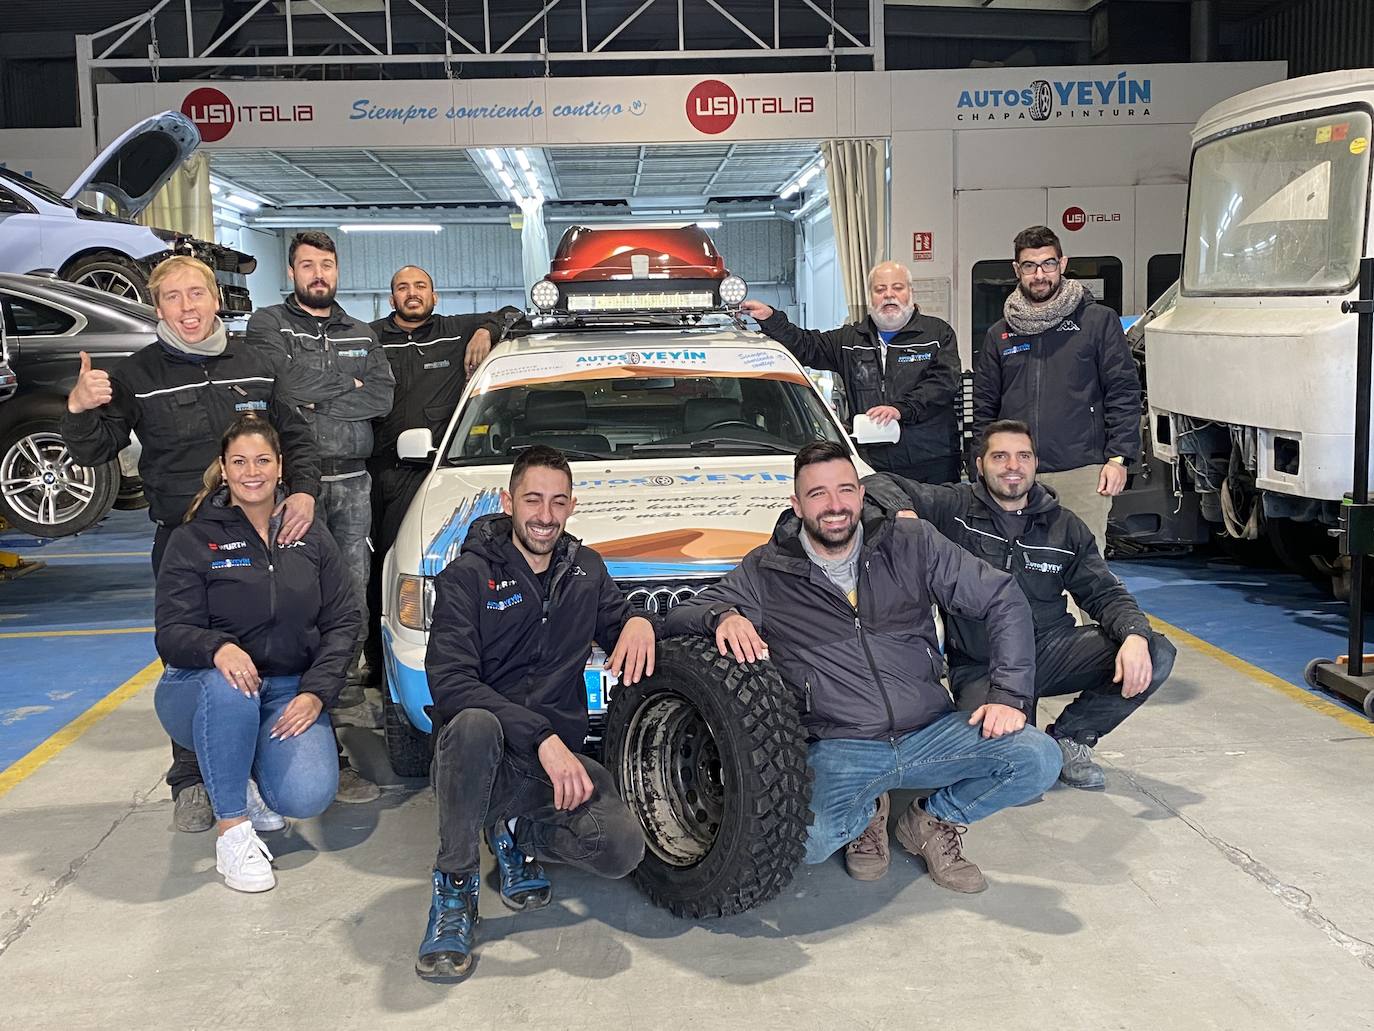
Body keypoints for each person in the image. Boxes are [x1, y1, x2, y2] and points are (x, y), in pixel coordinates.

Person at [664, 441, 1060, 887]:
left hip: (929, 731)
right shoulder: (766, 572)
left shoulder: (910, 542)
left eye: (846, 490)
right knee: (807, 843)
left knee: (1038, 759)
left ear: (861, 494)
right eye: (818, 495)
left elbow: (1002, 597)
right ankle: (868, 808)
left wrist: (1007, 693)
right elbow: (682, 615)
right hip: (839, 744)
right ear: (797, 505)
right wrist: (724, 615)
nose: (835, 506)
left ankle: (930, 821)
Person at [61, 255, 320, 834]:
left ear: (215, 299)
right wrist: (78, 407)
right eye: (173, 298)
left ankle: (270, 756)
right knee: (195, 657)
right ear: (158, 308)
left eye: (196, 295)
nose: (187, 308)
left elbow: (297, 437)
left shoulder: (255, 366)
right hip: (185, 544)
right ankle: (191, 777)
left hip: (262, 537)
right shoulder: (137, 374)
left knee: (275, 645)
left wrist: (303, 492)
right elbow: (92, 452)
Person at [417, 445, 651, 983]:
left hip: (551, 767)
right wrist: (543, 737)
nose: (544, 516)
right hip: (482, 761)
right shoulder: (467, 577)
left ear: (571, 507)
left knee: (620, 847)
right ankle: (454, 889)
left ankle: (519, 835)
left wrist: (637, 622)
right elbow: (450, 684)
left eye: (557, 502)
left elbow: (617, 625)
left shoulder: (587, 570)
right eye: (533, 500)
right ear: (508, 501)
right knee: (474, 722)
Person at [864, 420, 1176, 790]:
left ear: (1035, 463)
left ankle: (1072, 737)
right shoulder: (953, 509)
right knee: (1003, 759)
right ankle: (1023, 730)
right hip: (983, 664)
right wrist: (904, 512)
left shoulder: (1065, 527)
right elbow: (875, 483)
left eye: (1022, 456)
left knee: (1156, 652)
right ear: (979, 465)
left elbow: (1104, 592)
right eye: (1000, 456)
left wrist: (1134, 636)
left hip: (1050, 652)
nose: (1013, 465)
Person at [153, 414, 358, 893]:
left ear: (281, 467)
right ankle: (232, 831)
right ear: (223, 469)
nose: (252, 471)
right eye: (239, 461)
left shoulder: (310, 535)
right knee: (230, 688)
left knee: (306, 795)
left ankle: (242, 774)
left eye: (262, 460)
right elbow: (171, 632)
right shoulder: (194, 539)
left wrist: (316, 694)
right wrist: (217, 646)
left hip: (285, 688)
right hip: (199, 689)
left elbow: (344, 622)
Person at [246, 230, 395, 802]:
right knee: (294, 597)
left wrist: (323, 391)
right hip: (291, 487)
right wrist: (343, 384)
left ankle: (338, 685)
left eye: (326, 265)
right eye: (307, 265)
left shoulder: (361, 331)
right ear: (291, 274)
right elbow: (281, 385)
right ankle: (303, 707)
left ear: (337, 272)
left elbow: (379, 398)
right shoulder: (267, 325)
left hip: (354, 478)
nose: (317, 274)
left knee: (351, 591)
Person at [365, 266, 519, 680]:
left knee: (441, 564)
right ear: (391, 296)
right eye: (402, 287)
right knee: (381, 567)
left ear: (435, 294)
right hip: (383, 471)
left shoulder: (456, 330)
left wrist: (486, 330)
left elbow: (512, 312)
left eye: (420, 286)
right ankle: (380, 664)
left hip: (442, 470)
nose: (412, 294)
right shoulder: (371, 338)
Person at [974, 225, 1142, 553]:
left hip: (1083, 471)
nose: (1040, 274)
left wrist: (1119, 458)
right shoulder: (1000, 335)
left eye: (1048, 264)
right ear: (1016, 270)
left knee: (1084, 572)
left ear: (1062, 264)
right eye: (1029, 266)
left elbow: (1123, 391)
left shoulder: (1097, 322)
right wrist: (981, 464)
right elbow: (985, 407)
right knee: (1017, 569)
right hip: (1016, 472)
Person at [739, 260, 962, 484]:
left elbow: (944, 383)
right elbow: (806, 345)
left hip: (932, 461)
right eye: (880, 289)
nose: (889, 295)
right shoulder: (850, 340)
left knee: (933, 519)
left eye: (897, 288)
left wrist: (901, 410)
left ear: (910, 292)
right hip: (872, 464)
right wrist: (770, 318)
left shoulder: (937, 334)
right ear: (870, 297)